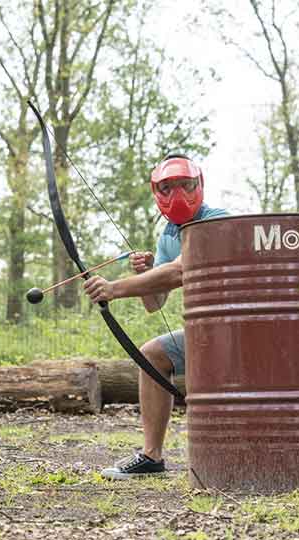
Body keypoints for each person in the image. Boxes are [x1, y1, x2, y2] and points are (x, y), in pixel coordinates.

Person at [83, 153, 228, 479]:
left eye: (185, 185)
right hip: (208, 331)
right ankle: (152, 456)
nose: (177, 194)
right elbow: (155, 303)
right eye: (167, 187)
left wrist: (114, 288)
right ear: (156, 192)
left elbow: (180, 271)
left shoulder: (216, 220)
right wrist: (148, 272)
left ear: (199, 184)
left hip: (242, 331)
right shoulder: (169, 234)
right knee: (152, 356)